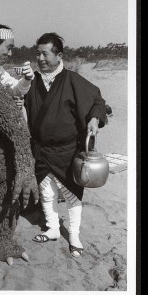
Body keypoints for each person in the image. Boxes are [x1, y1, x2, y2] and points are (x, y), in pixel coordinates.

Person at [24, 32, 107, 258]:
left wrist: (93, 118)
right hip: (40, 149)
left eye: (45, 54)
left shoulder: (72, 80)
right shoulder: (32, 81)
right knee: (46, 192)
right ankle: (52, 229)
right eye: (37, 53)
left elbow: (98, 101)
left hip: (67, 150)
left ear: (59, 55)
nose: (40, 58)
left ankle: (74, 236)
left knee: (72, 195)